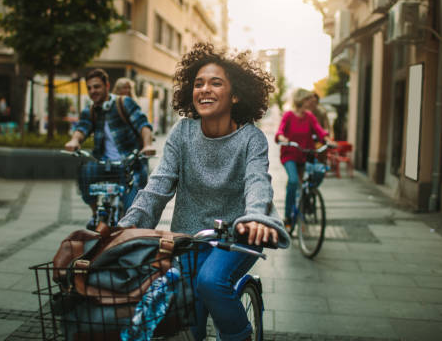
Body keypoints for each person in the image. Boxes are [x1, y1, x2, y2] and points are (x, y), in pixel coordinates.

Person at [118, 42, 290, 341]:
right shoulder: (182, 132)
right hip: (189, 239)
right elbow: (158, 186)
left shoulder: (252, 139)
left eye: (215, 83)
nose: (204, 89)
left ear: (235, 95)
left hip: (237, 237)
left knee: (211, 283)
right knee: (186, 324)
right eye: (198, 84)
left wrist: (254, 217)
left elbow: (257, 182)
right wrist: (127, 228)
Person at [64, 68, 155, 227]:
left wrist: (147, 145)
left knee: (131, 212)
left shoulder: (123, 103)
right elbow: (82, 128)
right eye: (90, 88)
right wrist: (74, 141)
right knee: (84, 172)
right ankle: (95, 214)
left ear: (107, 85)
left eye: (97, 86)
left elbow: (143, 125)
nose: (93, 91)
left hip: (129, 165)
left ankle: (129, 237)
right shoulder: (91, 110)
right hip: (104, 164)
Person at [275, 88, 329, 229]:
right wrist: (282, 137)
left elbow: (319, 131)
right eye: (308, 99)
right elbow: (280, 131)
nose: (311, 101)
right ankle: (287, 217)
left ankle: (305, 201)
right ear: (301, 100)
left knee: (318, 173)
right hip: (290, 155)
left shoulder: (310, 116)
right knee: (293, 181)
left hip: (305, 155)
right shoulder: (288, 115)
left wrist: (328, 140)